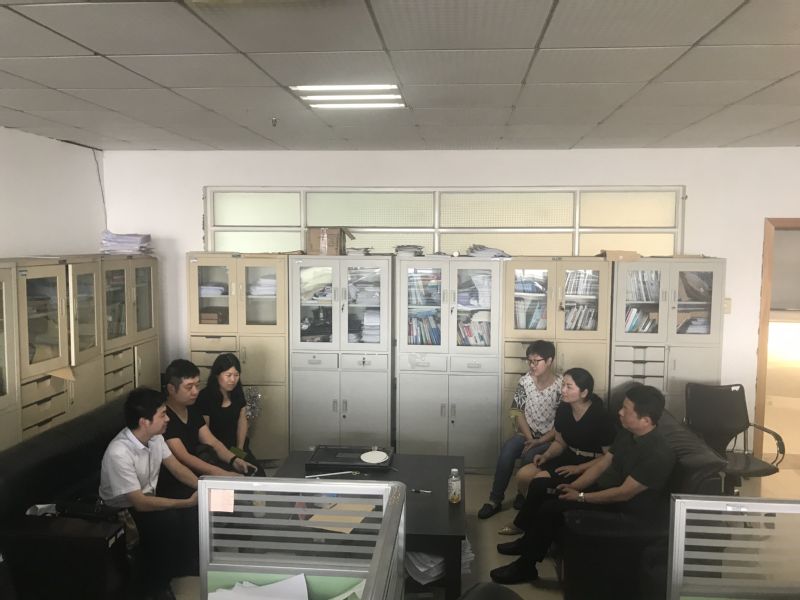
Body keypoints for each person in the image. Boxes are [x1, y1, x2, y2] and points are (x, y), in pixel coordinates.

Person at [490, 385, 676, 585]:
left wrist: (580, 497)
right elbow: (603, 464)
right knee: (541, 486)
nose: (620, 412)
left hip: (622, 509)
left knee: (552, 508)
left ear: (645, 420)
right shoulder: (627, 433)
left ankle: (526, 567)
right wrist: (576, 487)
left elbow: (623, 493)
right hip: (602, 490)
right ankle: (526, 543)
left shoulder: (658, 454)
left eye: (626, 409)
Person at [99, 387, 200, 600]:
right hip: (122, 510)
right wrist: (185, 503)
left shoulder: (155, 438)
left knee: (192, 505)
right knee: (168, 520)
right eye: (163, 415)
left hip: (147, 496)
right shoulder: (119, 452)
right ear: (144, 421)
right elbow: (139, 503)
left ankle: (184, 567)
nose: (167, 419)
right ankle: (156, 586)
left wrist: (201, 488)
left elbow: (177, 468)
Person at [497, 367, 616, 535]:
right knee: (523, 475)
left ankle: (529, 521)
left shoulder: (600, 416)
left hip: (592, 463)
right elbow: (560, 442)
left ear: (584, 392)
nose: (563, 390)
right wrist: (546, 455)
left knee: (539, 480)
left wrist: (579, 468)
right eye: (563, 385)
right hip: (570, 456)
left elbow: (608, 457)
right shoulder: (564, 409)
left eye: (569, 387)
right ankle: (537, 515)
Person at [478, 340, 562, 519]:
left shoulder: (560, 386)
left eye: (536, 361)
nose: (532, 365)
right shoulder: (525, 381)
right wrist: (529, 437)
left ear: (549, 361)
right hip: (527, 433)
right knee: (507, 451)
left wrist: (539, 441)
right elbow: (517, 411)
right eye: (529, 361)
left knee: (530, 456)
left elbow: (562, 423)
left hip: (549, 438)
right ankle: (494, 500)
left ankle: (522, 494)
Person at [157, 359, 257, 499]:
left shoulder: (192, 410)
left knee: (249, 474)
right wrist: (221, 474)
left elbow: (212, 441)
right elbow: (184, 457)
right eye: (189, 387)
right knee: (225, 495)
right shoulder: (164, 418)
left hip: (200, 468)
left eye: (197, 386)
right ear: (171, 389)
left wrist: (234, 459)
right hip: (177, 479)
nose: (195, 392)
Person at [196, 353, 263, 473]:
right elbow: (206, 434)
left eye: (236, 375)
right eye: (228, 375)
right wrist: (229, 457)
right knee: (230, 475)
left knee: (256, 472)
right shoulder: (205, 397)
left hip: (234, 447)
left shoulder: (237, 393)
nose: (233, 380)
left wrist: (239, 451)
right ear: (217, 374)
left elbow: (242, 423)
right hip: (215, 448)